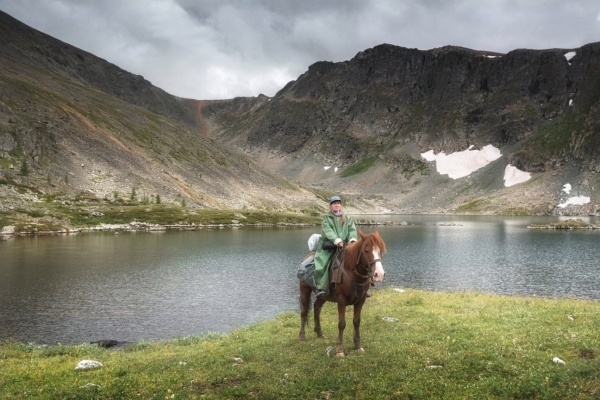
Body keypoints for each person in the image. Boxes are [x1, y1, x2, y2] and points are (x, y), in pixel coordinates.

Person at [313, 196, 358, 298]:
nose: (336, 204)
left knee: (358, 260)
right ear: (331, 206)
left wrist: (352, 240)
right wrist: (336, 240)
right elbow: (327, 231)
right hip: (329, 247)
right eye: (334, 203)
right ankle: (322, 288)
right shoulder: (327, 218)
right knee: (323, 264)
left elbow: (352, 230)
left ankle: (362, 286)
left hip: (345, 246)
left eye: (338, 203)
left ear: (340, 205)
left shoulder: (347, 218)